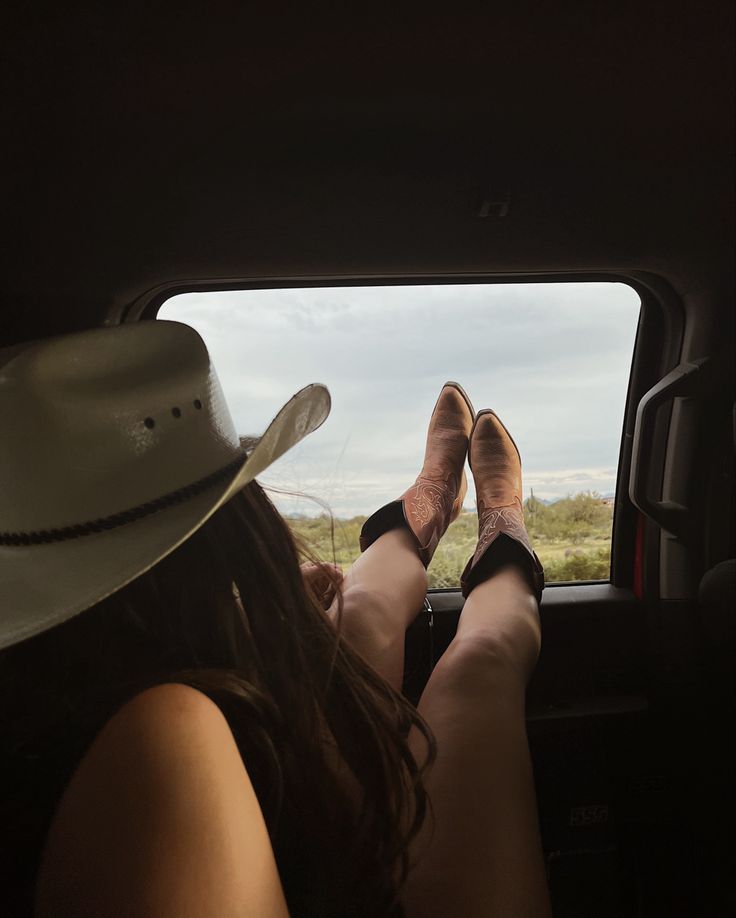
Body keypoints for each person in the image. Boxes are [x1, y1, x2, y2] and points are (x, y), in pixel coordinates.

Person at [0, 320, 551, 917]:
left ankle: (430, 504)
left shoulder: (81, 690)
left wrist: (263, 610)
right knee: (484, 661)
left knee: (354, 611)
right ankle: (504, 537)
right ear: (233, 534)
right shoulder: (159, 739)